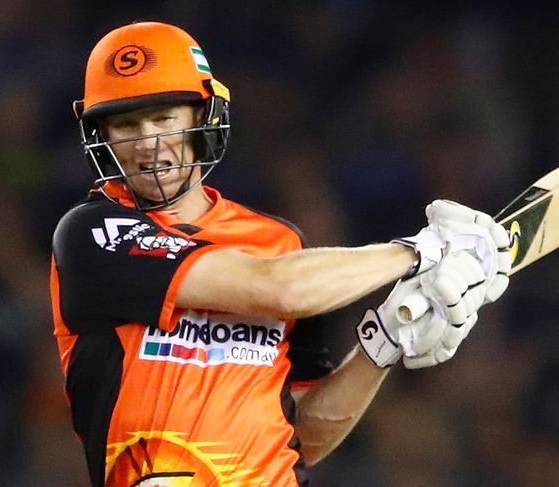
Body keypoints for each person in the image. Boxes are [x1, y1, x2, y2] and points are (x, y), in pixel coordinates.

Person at [50, 21, 511, 487]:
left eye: (165, 117)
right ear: (101, 135)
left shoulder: (279, 242)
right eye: (127, 124)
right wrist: (421, 251)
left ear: (201, 117)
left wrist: (385, 341)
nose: (148, 144)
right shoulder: (92, 232)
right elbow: (278, 288)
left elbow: (303, 439)